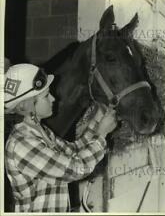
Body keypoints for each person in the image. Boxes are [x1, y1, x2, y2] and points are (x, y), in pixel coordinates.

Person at [4, 63, 117, 212]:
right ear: (27, 105)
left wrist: (97, 121)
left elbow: (74, 150)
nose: (53, 99)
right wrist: (102, 135)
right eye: (46, 96)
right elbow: (75, 169)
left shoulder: (40, 131)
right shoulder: (22, 144)